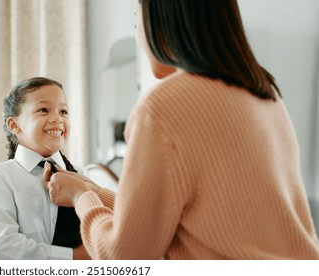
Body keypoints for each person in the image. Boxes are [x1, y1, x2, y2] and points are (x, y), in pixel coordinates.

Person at [43, 0, 319, 259]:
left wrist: (82, 198)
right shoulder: (264, 93)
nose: (139, 36)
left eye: (138, 22)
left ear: (163, 24)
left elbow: (124, 254)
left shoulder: (162, 107)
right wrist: (94, 190)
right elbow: (178, 216)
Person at [0, 77, 90, 260]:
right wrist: (73, 258)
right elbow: (2, 245)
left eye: (63, 111)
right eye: (43, 110)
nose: (57, 118)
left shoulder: (81, 175)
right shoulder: (0, 177)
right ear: (14, 125)